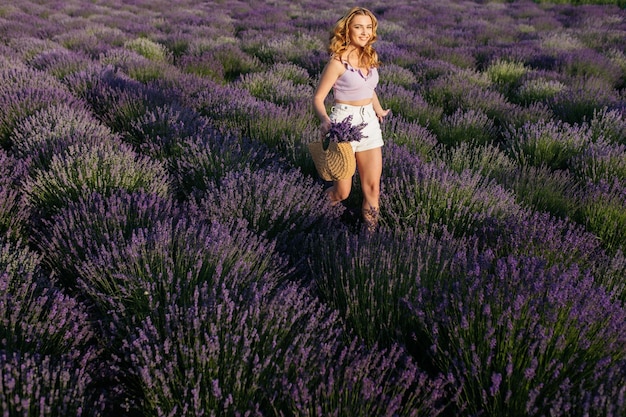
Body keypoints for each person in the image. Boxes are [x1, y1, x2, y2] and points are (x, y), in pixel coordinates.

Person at [313, 6, 390, 232]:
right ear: (347, 30)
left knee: (372, 188)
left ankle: (370, 239)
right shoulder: (337, 62)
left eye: (368, 27)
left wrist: (378, 109)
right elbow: (318, 97)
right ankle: (311, 212)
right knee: (342, 192)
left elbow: (368, 87)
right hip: (344, 127)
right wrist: (325, 120)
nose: (365, 32)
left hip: (370, 126)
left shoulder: (370, 56)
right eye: (359, 27)